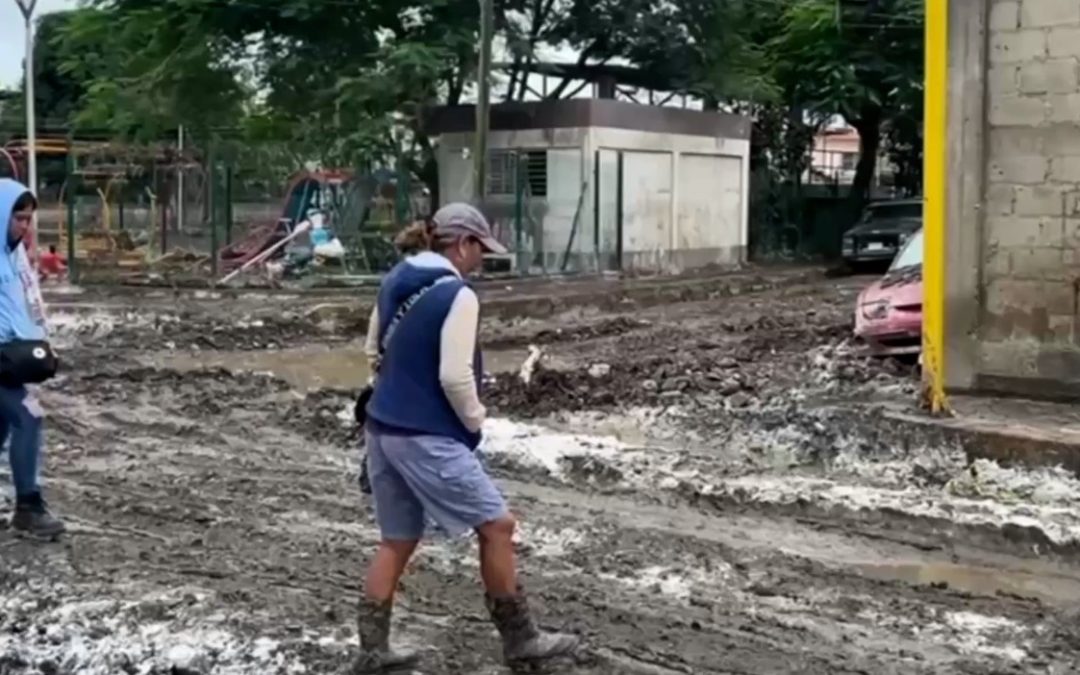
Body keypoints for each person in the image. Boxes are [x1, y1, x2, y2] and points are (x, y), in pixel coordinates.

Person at [348, 203, 578, 672]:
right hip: (425, 434)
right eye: (479, 250)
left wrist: (396, 389)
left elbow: (373, 349)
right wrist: (474, 421)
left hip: (381, 429)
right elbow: (454, 377)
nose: (480, 261)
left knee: (397, 538)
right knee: (497, 526)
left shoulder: (397, 278)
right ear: (462, 243)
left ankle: (373, 650)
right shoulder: (458, 294)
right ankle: (521, 640)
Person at [0, 179, 64, 539]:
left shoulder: (15, 256)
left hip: (11, 357)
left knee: (3, 425)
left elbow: (28, 303)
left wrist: (43, 344)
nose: (24, 226)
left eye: (28, 219)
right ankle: (28, 506)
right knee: (28, 415)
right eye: (17, 218)